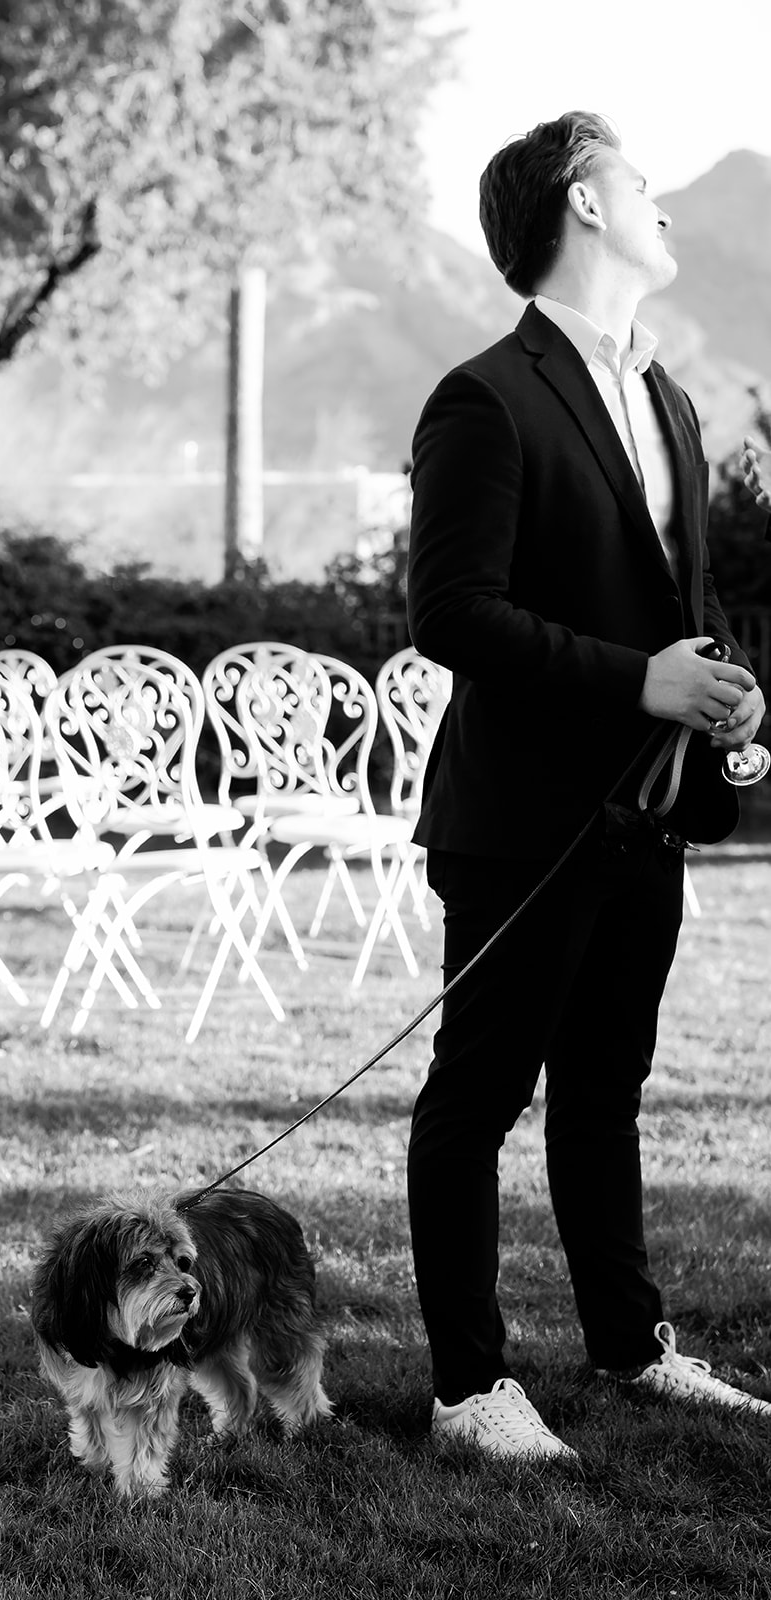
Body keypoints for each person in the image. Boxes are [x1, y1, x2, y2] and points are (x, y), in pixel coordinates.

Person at [404, 110, 769, 1459]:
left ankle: (628, 1351)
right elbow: (451, 611)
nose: (663, 206)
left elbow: (688, 597)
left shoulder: (669, 396)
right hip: (516, 822)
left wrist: (721, 687)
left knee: (605, 1088)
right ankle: (466, 1391)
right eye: (642, 183)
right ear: (585, 203)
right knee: (477, 1097)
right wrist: (636, 680)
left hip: (647, 817)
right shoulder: (484, 397)